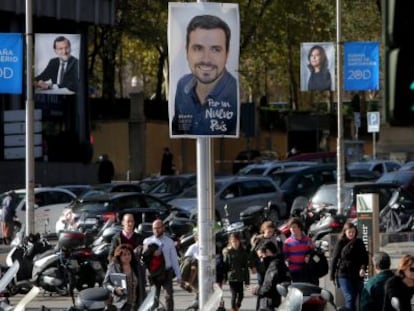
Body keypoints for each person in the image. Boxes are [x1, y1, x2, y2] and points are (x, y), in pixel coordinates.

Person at [172, 14, 238, 136]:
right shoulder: (182, 86)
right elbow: (178, 130)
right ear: (187, 52)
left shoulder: (235, 92)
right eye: (198, 48)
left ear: (227, 54)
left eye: (215, 49)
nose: (206, 59)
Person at [143, 219, 182, 311]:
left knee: (169, 296)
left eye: (158, 228)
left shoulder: (169, 242)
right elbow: (143, 259)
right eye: (154, 228)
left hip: (166, 272)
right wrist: (151, 252)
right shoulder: (147, 241)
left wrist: (179, 276)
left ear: (163, 228)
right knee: (154, 298)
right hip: (153, 274)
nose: (156, 230)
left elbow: (174, 260)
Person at [330, 222, 369, 311]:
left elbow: (364, 258)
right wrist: (332, 276)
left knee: (355, 299)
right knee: (350, 298)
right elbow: (334, 259)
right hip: (344, 274)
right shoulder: (341, 242)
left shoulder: (359, 242)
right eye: (349, 232)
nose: (351, 234)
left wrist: (363, 268)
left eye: (353, 232)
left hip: (357, 275)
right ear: (345, 232)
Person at [247, 241, 290, 310]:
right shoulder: (276, 263)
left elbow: (269, 288)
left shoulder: (274, 265)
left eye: (261, 256)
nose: (261, 260)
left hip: (270, 304)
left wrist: (256, 290)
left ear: (267, 251)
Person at [103, 244, 146, 311]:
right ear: (119, 256)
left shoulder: (136, 266)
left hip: (137, 304)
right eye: (124, 255)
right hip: (121, 305)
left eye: (129, 254)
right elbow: (105, 283)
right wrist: (114, 290)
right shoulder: (113, 266)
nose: (127, 256)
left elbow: (143, 284)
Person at [250, 221, 284, 285]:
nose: (270, 234)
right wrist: (253, 266)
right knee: (262, 284)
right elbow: (252, 254)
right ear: (264, 231)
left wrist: (273, 254)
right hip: (262, 267)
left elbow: (280, 252)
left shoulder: (275, 239)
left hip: (272, 266)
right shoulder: (258, 240)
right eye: (268, 232)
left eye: (272, 232)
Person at [222, 233, 250, 311]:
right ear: (230, 242)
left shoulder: (243, 252)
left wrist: (247, 281)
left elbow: (246, 267)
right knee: (234, 294)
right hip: (232, 277)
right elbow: (225, 266)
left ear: (239, 241)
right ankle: (233, 309)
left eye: (236, 241)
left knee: (241, 295)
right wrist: (224, 277)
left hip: (240, 277)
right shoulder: (228, 252)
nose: (235, 243)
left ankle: (237, 305)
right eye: (233, 241)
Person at [283, 217, 315, 283]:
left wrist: (309, 255)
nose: (292, 229)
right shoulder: (287, 242)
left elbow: (313, 252)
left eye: (294, 227)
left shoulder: (307, 240)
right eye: (291, 228)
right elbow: (285, 257)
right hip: (294, 272)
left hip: (306, 271)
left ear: (299, 227)